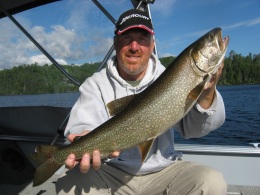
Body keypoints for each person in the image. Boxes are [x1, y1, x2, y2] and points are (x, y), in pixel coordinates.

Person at [56, 9, 227, 195]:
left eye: (142, 39)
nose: (134, 46)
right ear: (115, 43)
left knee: (212, 182)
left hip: (164, 171)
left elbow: (195, 130)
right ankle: (52, 159)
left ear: (152, 45)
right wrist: (85, 138)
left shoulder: (171, 77)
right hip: (110, 172)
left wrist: (207, 90)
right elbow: (82, 123)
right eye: (127, 38)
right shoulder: (95, 84)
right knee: (70, 185)